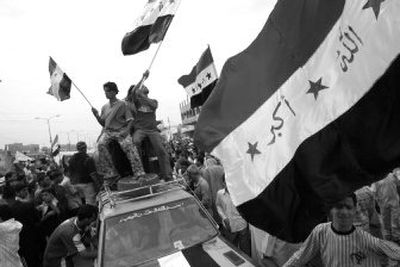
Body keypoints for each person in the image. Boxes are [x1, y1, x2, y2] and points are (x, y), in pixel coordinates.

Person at [283, 193, 400, 266]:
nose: (344, 212)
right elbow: (375, 225)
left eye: (348, 208)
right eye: (339, 207)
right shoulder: (321, 231)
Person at [92, 82, 145, 181]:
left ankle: (139, 172)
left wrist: (126, 131)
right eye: (105, 91)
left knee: (129, 146)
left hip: (121, 130)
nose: (105, 93)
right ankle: (111, 172)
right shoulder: (104, 107)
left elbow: (130, 120)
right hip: (108, 132)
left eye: (107, 91)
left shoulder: (122, 104)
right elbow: (103, 124)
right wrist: (96, 116)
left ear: (114, 92)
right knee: (100, 145)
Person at [126, 77, 172, 181]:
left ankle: (167, 175)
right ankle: (139, 172)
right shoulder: (136, 102)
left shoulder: (153, 101)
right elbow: (133, 91)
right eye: (142, 87)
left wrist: (141, 94)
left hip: (152, 130)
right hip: (140, 130)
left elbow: (153, 106)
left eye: (144, 87)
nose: (143, 87)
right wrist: (143, 78)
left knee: (161, 150)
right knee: (135, 143)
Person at [216, 175, 251, 256]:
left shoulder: (240, 193)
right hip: (228, 226)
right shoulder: (220, 194)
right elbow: (218, 206)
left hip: (241, 225)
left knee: (245, 249)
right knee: (232, 249)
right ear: (223, 183)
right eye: (226, 181)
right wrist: (224, 217)